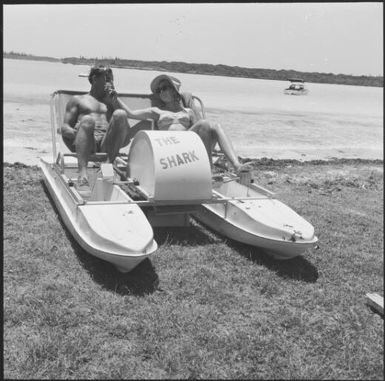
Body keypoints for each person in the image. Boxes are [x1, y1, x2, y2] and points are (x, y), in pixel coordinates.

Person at [108, 74, 251, 173]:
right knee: (205, 124)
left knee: (213, 126)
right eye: (159, 90)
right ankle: (208, 169)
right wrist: (115, 98)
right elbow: (131, 113)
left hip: (189, 148)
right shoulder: (156, 111)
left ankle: (236, 165)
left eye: (164, 88)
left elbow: (203, 132)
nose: (161, 92)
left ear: (174, 90)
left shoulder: (188, 111)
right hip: (169, 148)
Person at [61, 65, 132, 195]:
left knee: (121, 114)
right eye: (107, 78)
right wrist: (78, 134)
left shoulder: (112, 102)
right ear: (94, 78)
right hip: (87, 142)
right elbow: (64, 128)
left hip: (107, 144)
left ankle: (107, 166)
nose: (110, 82)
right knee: (87, 120)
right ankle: (82, 176)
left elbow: (126, 134)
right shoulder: (78, 99)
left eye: (112, 79)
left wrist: (114, 101)